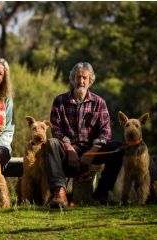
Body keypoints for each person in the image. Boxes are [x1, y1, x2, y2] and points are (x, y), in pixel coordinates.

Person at [45, 62, 124, 208]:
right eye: (78, 77)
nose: (81, 81)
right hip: (68, 150)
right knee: (51, 143)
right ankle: (60, 193)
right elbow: (56, 129)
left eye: (84, 78)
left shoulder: (99, 102)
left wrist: (92, 151)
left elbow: (105, 131)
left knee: (118, 147)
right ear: (72, 79)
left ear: (90, 80)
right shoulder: (60, 101)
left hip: (92, 149)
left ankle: (101, 192)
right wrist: (69, 148)